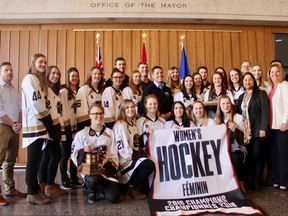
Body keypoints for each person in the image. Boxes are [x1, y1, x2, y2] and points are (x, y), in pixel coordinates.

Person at [71, 104, 120, 203]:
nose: (99, 116)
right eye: (95, 113)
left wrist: (109, 166)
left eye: (101, 113)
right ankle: (91, 189)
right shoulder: (81, 134)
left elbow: (113, 153)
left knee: (114, 198)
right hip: (90, 170)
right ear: (89, 115)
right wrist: (83, 151)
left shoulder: (110, 133)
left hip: (105, 168)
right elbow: (74, 153)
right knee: (93, 179)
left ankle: (102, 186)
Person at [21, 53, 51, 204]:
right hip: (34, 124)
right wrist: (46, 117)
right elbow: (35, 101)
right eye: (40, 62)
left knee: (38, 159)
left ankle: (36, 190)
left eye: (45, 62)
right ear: (33, 63)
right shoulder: (30, 78)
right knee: (32, 160)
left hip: (40, 125)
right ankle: (31, 192)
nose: (43, 65)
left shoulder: (39, 81)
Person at [113, 100, 155, 199]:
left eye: (132, 107)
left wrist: (146, 134)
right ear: (123, 110)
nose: (130, 109)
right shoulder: (120, 124)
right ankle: (131, 187)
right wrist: (138, 154)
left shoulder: (132, 123)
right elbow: (123, 149)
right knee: (149, 164)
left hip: (134, 156)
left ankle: (130, 186)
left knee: (146, 189)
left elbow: (136, 141)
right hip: (126, 160)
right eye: (127, 107)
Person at [237, 72, 270, 191]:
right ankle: (251, 180)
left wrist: (263, 128)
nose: (248, 82)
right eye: (245, 80)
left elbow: (265, 112)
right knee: (250, 156)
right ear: (242, 82)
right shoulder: (241, 97)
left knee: (257, 155)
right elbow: (239, 114)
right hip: (246, 133)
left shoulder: (260, 93)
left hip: (257, 130)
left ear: (254, 81)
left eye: (250, 79)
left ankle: (257, 181)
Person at [0, 62, 26, 206]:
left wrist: (19, 123)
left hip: (15, 127)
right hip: (3, 126)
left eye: (11, 70)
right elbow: (0, 111)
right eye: (6, 70)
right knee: (0, 159)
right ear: (1, 72)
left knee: (10, 160)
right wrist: (13, 124)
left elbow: (20, 109)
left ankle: (10, 189)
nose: (9, 72)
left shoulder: (14, 89)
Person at [38, 65, 67, 196]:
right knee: (55, 155)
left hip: (56, 126)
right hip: (49, 127)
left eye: (58, 74)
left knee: (47, 156)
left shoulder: (56, 90)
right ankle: (49, 185)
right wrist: (49, 126)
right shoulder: (45, 89)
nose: (55, 76)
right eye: (53, 73)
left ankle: (43, 183)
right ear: (48, 74)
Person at [215, 95, 247, 193]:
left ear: (231, 104)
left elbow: (244, 140)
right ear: (220, 106)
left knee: (235, 157)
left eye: (228, 103)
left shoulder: (239, 118)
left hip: (238, 148)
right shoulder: (216, 121)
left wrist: (236, 130)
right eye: (223, 104)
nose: (226, 106)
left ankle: (240, 182)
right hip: (222, 150)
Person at [59, 67, 81, 190]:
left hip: (76, 127)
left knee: (75, 152)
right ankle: (64, 179)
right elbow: (62, 111)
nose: (75, 78)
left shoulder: (79, 90)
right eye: (72, 76)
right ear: (68, 77)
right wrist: (65, 126)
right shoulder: (64, 91)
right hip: (67, 127)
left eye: (76, 76)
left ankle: (73, 176)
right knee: (65, 154)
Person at [267, 63, 288, 191]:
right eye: (272, 72)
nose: (275, 74)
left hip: (282, 126)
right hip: (272, 127)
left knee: (283, 155)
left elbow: (287, 105)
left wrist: (285, 121)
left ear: (281, 73)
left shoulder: (284, 85)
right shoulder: (271, 88)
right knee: (275, 154)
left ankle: (285, 181)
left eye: (277, 71)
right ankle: (278, 180)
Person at [76, 66, 105, 131]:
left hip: (100, 124)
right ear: (91, 75)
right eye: (95, 74)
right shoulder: (84, 90)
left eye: (99, 74)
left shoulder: (102, 91)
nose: (97, 76)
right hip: (88, 125)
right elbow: (81, 111)